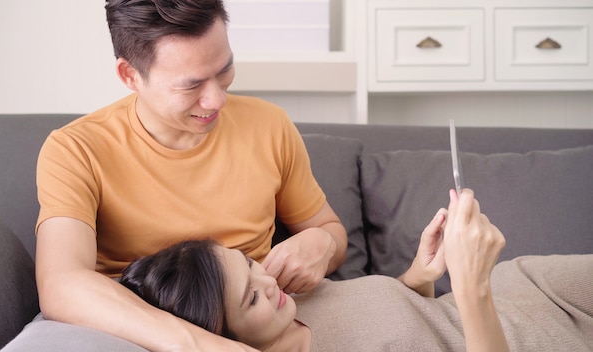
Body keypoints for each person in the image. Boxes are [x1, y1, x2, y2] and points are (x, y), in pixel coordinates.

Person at [34, 1, 347, 351]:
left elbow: (330, 231)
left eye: (224, 70)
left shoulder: (269, 126)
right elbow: (60, 283)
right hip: (133, 332)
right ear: (130, 75)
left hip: (258, 325)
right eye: (190, 85)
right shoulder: (76, 149)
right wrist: (200, 345)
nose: (216, 100)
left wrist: (323, 243)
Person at [121, 189, 593, 352]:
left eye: (249, 264)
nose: (269, 281)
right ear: (223, 339)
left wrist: (419, 278)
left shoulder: (292, 299)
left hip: (530, 286)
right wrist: (471, 289)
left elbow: (407, 328)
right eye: (250, 297)